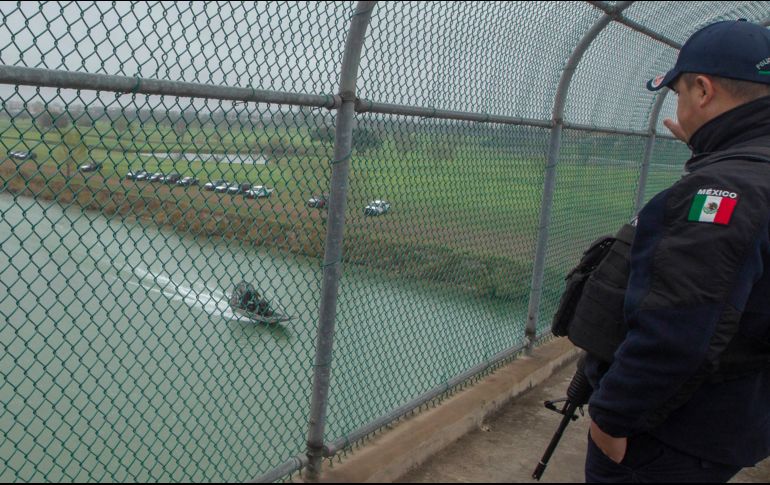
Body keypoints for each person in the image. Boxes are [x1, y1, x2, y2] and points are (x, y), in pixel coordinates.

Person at [583, 19, 770, 482]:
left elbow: (680, 326)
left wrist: (610, 418)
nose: (680, 106)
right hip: (738, 416)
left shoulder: (724, 189)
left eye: (680, 94)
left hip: (677, 436)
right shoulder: (749, 167)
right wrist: (711, 150)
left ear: (703, 91)